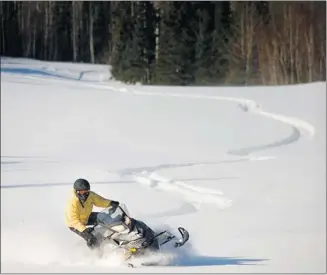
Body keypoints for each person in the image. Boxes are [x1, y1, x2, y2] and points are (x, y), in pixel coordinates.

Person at [64, 178, 119, 249]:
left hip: (86, 216)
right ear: (76, 192)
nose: (84, 194)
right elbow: (73, 220)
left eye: (86, 191)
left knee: (105, 218)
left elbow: (100, 201)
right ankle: (97, 255)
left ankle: (117, 236)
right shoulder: (72, 202)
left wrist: (111, 203)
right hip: (75, 224)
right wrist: (84, 230)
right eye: (81, 192)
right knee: (91, 238)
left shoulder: (90, 195)